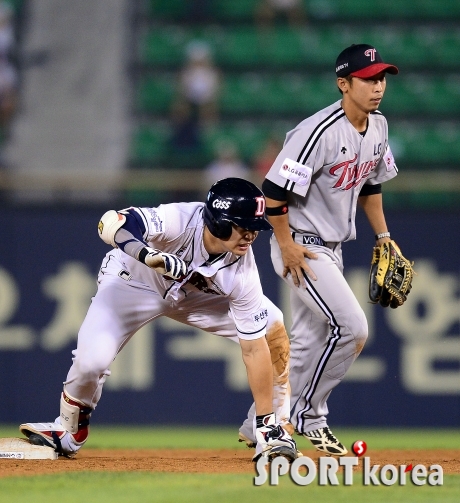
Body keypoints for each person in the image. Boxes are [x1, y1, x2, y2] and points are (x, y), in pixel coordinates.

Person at [19, 178, 298, 462]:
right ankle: (68, 429)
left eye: (255, 227)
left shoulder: (243, 271)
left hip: (195, 297)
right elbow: (111, 223)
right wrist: (149, 254)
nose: (251, 235)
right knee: (92, 362)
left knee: (270, 328)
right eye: (243, 226)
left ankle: (267, 427)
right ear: (218, 221)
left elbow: (252, 349)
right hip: (132, 283)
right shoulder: (181, 219)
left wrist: (265, 417)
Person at [238, 44, 399, 456]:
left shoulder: (378, 126)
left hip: (333, 248)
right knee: (352, 328)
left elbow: (372, 185)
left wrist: (382, 236)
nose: (378, 86)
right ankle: (312, 414)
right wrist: (286, 244)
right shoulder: (319, 131)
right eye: (368, 79)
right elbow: (272, 191)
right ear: (344, 84)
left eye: (381, 78)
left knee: (308, 343)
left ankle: (258, 422)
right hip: (303, 247)